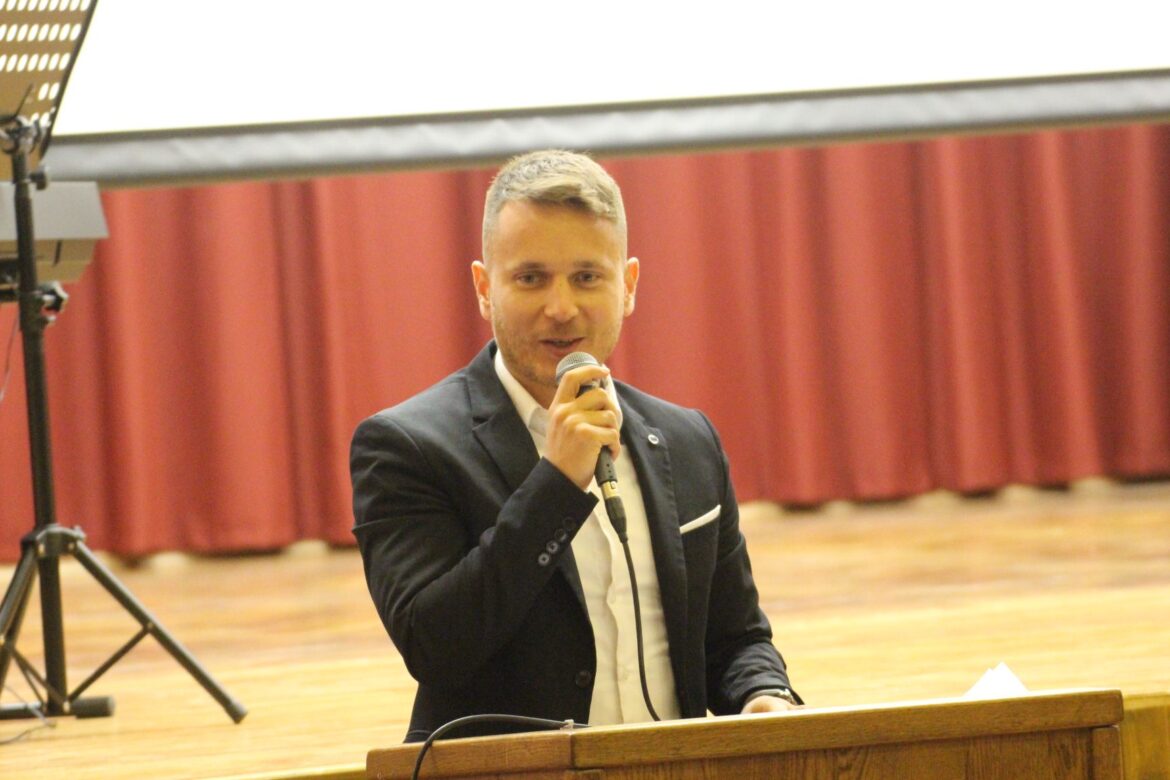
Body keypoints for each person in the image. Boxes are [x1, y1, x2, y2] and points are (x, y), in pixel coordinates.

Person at [351, 149, 799, 743]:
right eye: (530, 278)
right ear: (484, 289)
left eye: (587, 277)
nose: (560, 308)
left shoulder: (689, 440)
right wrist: (556, 485)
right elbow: (435, 646)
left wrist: (762, 694)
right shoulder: (406, 447)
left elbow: (735, 638)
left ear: (628, 286)